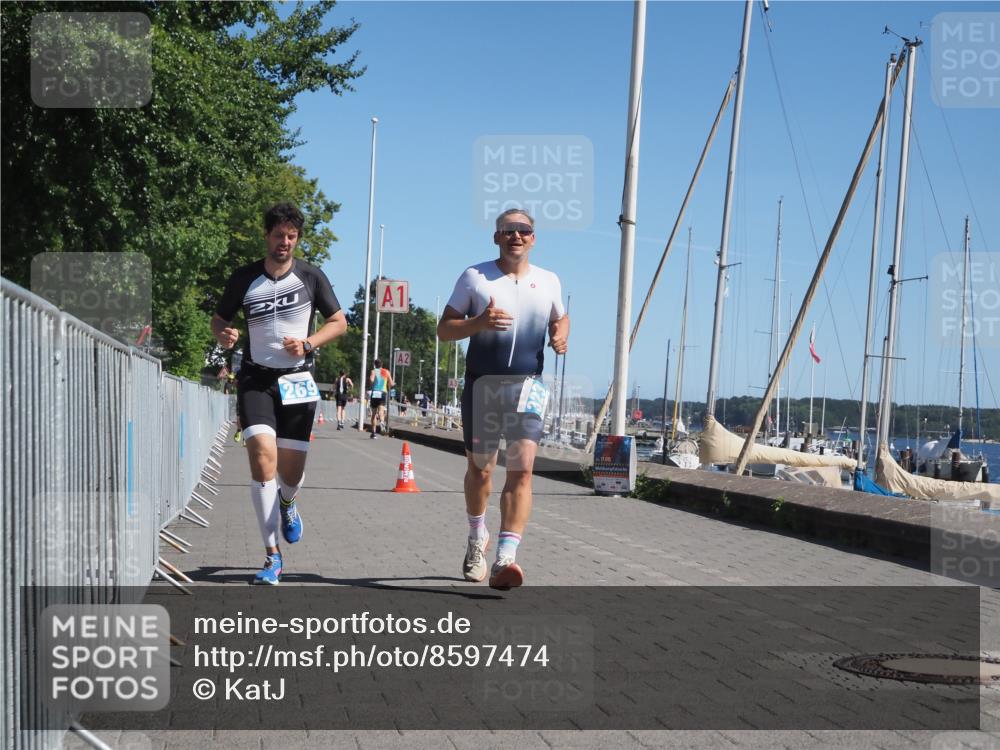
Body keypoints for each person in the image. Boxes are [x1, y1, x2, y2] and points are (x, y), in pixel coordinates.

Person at [211, 202, 347, 585]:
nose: (284, 242)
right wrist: (223, 333)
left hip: (297, 380)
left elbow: (339, 323)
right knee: (261, 456)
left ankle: (287, 503)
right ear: (266, 236)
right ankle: (272, 556)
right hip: (255, 379)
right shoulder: (244, 278)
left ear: (297, 239)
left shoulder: (310, 277)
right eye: (278, 235)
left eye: (291, 237)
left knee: (291, 470)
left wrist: (308, 343)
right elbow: (220, 319)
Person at [437, 208, 568, 590]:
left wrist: (561, 335)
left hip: (528, 385)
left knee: (522, 470)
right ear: (496, 238)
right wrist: (478, 323)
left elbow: (561, 317)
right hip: (484, 385)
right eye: (507, 230)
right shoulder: (475, 277)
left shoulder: (549, 281)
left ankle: (506, 558)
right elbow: (444, 329)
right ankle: (478, 535)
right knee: (481, 471)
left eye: (523, 230)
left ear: (533, 238)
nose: (516, 236)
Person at [368, 358, 393, 439]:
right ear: (382, 364)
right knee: (381, 410)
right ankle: (382, 422)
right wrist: (389, 385)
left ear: (375, 365)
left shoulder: (374, 371)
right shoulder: (387, 372)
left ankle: (373, 433)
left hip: (375, 392)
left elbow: (371, 380)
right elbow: (391, 383)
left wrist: (374, 381)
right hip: (383, 392)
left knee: (374, 413)